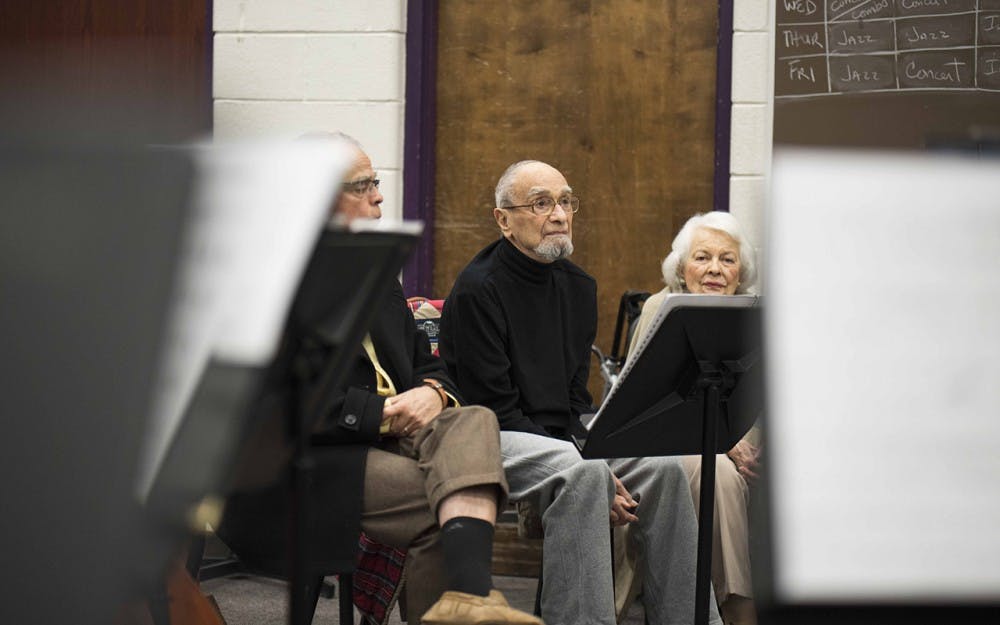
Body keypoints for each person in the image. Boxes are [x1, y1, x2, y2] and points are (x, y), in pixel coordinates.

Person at [220, 136, 542, 625]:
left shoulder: (374, 272)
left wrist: (434, 394)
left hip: (392, 437)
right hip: (316, 455)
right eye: (363, 185)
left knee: (473, 417)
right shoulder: (271, 279)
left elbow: (428, 365)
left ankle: (469, 602)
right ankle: (469, 602)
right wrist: (384, 413)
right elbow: (277, 401)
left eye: (375, 182)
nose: (378, 195)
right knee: (443, 503)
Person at [438, 160, 722, 625]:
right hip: (486, 434)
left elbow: (573, 403)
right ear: (503, 220)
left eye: (566, 201)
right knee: (583, 472)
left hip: (557, 440)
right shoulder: (477, 289)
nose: (559, 214)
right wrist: (589, 463)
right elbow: (495, 409)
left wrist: (591, 450)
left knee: (666, 469)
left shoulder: (579, 287)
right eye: (540, 203)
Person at [628, 211, 760, 625]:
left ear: (741, 272)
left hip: (748, 452)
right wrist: (724, 438)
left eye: (727, 259)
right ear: (682, 269)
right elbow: (639, 402)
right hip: (671, 445)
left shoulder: (756, 314)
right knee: (716, 470)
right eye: (702, 258)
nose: (715, 269)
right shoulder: (661, 308)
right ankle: (738, 607)